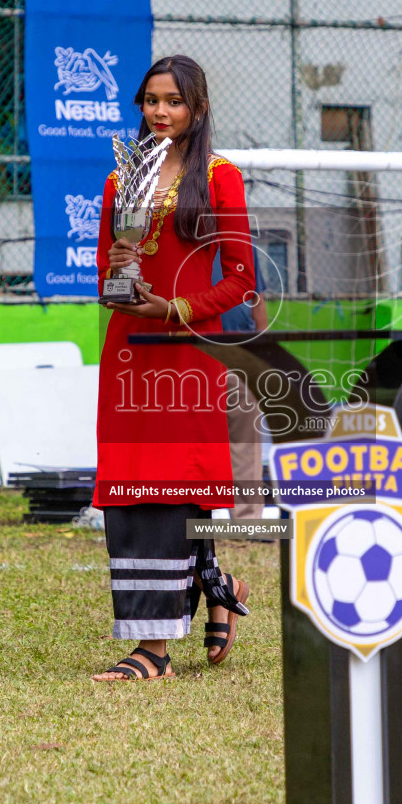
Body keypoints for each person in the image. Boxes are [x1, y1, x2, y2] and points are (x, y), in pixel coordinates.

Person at [90, 55, 257, 681]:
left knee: (171, 485)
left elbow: (243, 279)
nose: (160, 112)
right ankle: (215, 581)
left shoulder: (220, 179)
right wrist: (118, 279)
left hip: (187, 354)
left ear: (198, 109)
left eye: (174, 101)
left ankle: (154, 649)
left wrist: (175, 307)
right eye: (151, 100)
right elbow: (104, 272)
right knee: (130, 488)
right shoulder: (118, 184)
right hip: (129, 351)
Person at [215, 254, 269, 520]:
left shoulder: (243, 245)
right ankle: (182, 523)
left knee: (245, 441)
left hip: (240, 352)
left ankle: (247, 521)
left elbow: (257, 299)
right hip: (191, 353)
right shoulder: (176, 241)